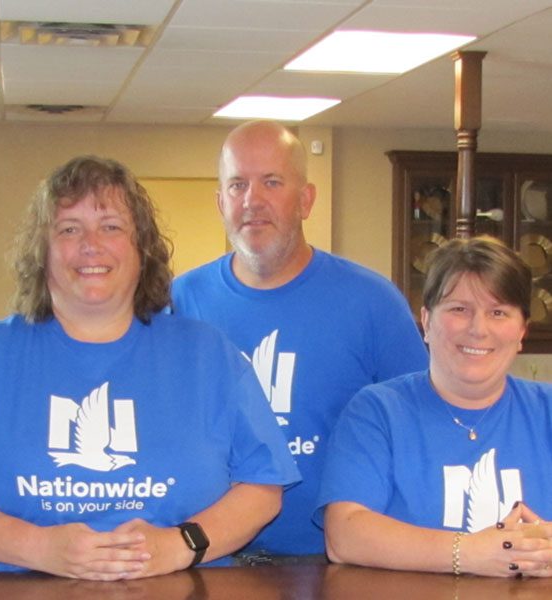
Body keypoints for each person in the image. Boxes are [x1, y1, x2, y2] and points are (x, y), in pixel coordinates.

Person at [0, 156, 300, 579]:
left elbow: (262, 486)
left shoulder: (208, 353)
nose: (91, 244)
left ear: (141, 248)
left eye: (111, 227)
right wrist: (41, 547)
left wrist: (180, 545)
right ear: (43, 251)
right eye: (69, 229)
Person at [170, 120, 428, 559]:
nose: (253, 201)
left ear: (306, 200)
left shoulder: (372, 303)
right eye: (237, 185)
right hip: (209, 560)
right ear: (220, 202)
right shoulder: (180, 300)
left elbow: (420, 428)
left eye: (272, 182)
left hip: (331, 562)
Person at [318, 236, 552, 577]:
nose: (478, 329)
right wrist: (468, 552)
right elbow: (344, 534)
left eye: (498, 312)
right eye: (459, 309)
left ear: (521, 332)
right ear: (426, 321)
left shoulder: (546, 410)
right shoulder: (378, 411)